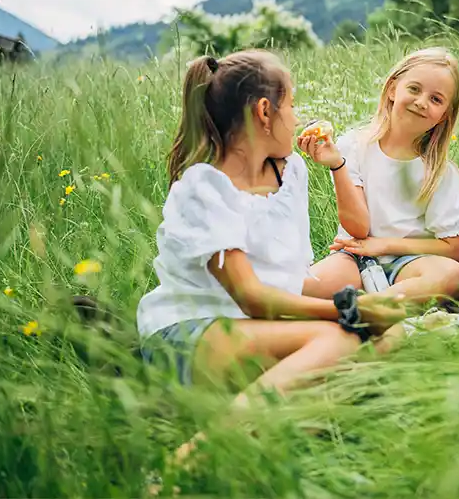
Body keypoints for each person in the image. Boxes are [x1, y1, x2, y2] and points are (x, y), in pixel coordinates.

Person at [135, 49, 403, 468]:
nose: (296, 117)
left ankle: (261, 437)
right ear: (265, 111)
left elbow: (285, 276)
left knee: (389, 340)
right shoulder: (205, 187)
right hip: (192, 331)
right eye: (291, 104)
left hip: (257, 329)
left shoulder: (289, 170)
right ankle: (190, 463)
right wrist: (350, 309)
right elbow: (251, 297)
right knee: (338, 338)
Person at [299, 48, 459, 315]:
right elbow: (358, 228)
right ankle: (381, 309)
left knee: (453, 275)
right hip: (355, 257)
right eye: (414, 89)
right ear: (392, 89)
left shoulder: (441, 173)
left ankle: (361, 309)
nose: (422, 102)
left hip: (412, 262)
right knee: (299, 287)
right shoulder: (353, 146)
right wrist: (337, 165)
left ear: (445, 115)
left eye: (436, 99)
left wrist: (386, 245)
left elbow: (452, 249)